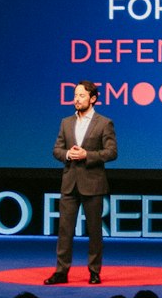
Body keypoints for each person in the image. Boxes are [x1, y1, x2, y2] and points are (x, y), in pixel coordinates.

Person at [46, 80, 117, 285]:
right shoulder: (66, 122)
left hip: (93, 183)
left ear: (92, 99)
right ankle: (61, 272)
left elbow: (111, 152)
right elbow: (57, 150)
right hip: (69, 183)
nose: (77, 99)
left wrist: (87, 155)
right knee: (64, 230)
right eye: (75, 95)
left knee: (94, 231)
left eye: (81, 96)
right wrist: (68, 154)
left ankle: (94, 271)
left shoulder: (104, 123)